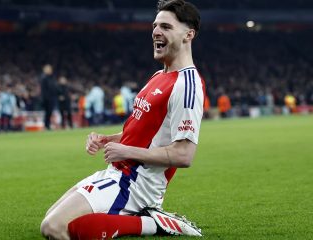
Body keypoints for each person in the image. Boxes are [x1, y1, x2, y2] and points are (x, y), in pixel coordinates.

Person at [40, 0, 205, 239]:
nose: (156, 32)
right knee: (52, 216)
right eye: (155, 26)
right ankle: (148, 220)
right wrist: (109, 139)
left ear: (188, 35)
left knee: (54, 228)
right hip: (116, 173)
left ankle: (152, 223)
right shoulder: (159, 75)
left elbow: (183, 155)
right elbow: (145, 133)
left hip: (138, 183)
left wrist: (125, 150)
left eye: (166, 27)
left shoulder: (187, 85)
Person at [40, 64, 58, 130]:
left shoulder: (51, 78)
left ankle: (47, 125)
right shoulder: (44, 78)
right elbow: (44, 89)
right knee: (47, 112)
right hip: (46, 98)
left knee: (49, 112)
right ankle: (46, 125)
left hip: (51, 98)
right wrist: (45, 98)